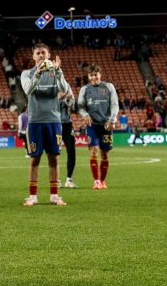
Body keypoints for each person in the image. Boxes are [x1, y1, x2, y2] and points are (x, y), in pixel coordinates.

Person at [20, 44, 71, 206]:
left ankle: (54, 196)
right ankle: (33, 196)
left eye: (43, 53)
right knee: (34, 159)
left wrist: (58, 72)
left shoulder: (55, 73)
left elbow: (65, 89)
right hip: (35, 121)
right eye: (38, 53)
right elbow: (28, 90)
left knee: (54, 159)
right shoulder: (27, 74)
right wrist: (39, 73)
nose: (41, 55)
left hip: (54, 121)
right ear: (33, 57)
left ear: (48, 55)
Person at [76, 64, 119, 190]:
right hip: (92, 126)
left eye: (96, 74)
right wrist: (85, 115)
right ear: (88, 77)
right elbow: (80, 106)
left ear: (100, 74)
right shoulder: (85, 89)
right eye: (91, 75)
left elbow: (115, 105)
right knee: (93, 152)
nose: (93, 77)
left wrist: (112, 120)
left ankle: (102, 181)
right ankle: (96, 181)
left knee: (104, 154)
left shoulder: (109, 86)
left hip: (106, 125)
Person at [59, 64, 79, 188]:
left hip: (67, 124)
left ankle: (69, 179)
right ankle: (56, 179)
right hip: (54, 124)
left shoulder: (67, 86)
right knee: (54, 153)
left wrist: (68, 100)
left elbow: (71, 102)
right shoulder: (50, 86)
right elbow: (48, 104)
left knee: (71, 150)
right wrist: (60, 98)